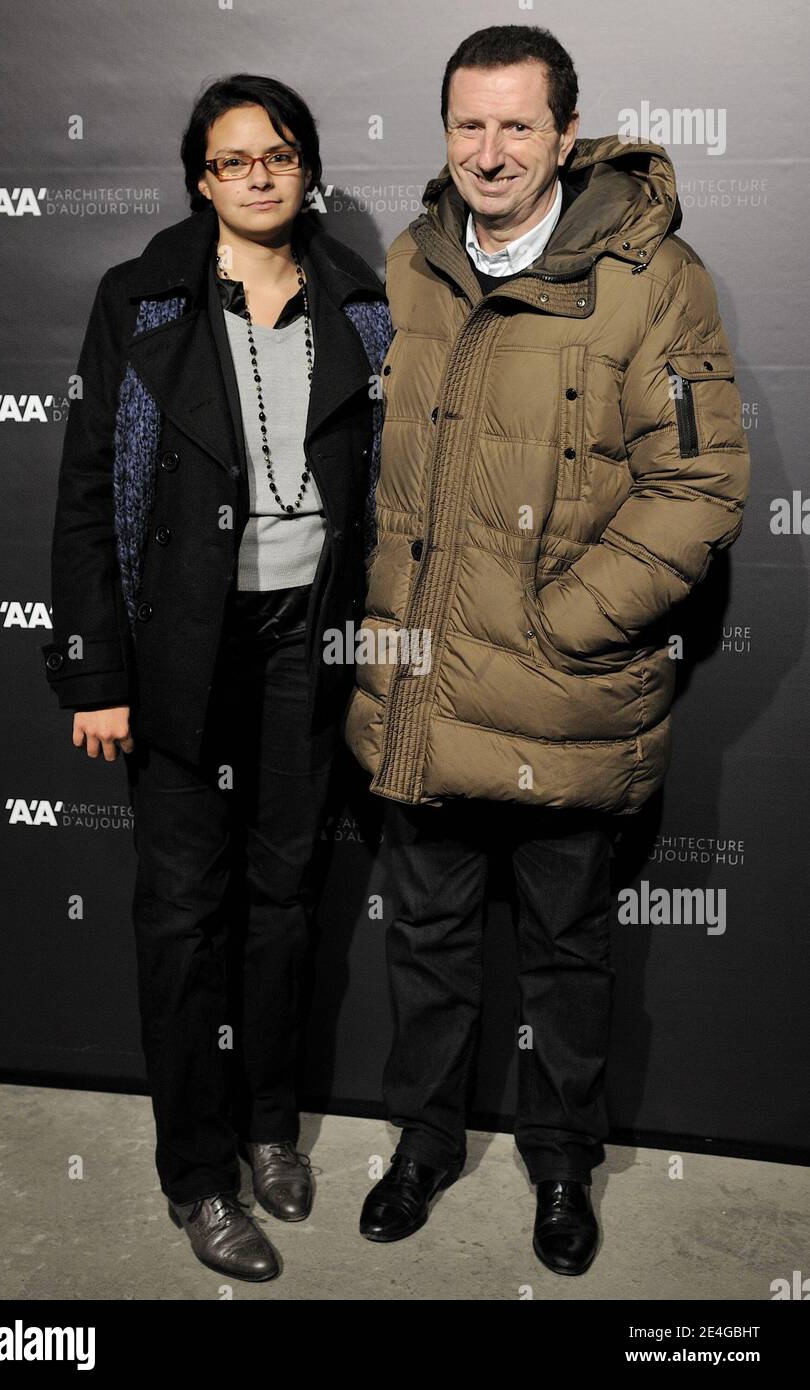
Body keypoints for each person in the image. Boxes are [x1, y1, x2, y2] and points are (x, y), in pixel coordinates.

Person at [344, 24, 750, 1275]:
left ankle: (560, 1168)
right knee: (424, 943)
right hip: (420, 693)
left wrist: (561, 626)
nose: (490, 150)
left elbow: (697, 484)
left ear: (567, 136)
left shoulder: (651, 275)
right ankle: (419, 1145)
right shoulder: (408, 269)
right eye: (468, 124)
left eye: (517, 125)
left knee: (568, 955)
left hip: (566, 698)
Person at [41, 73, 391, 1282]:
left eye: (278, 155)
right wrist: (94, 670)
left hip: (309, 639)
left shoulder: (360, 302)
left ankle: (269, 1126)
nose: (257, 174)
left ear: (306, 171)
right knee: (185, 922)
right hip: (183, 645)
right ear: (201, 177)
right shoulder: (137, 299)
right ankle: (199, 1174)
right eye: (233, 158)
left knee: (287, 901)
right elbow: (88, 494)